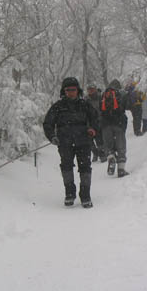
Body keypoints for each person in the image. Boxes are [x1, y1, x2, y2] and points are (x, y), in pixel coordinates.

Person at [43, 77, 99, 208]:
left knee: (85, 168)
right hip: (64, 143)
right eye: (68, 90)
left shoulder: (85, 105)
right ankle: (70, 194)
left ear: (77, 90)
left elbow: (96, 119)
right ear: (64, 91)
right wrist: (52, 137)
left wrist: (93, 129)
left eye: (73, 89)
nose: (70, 92)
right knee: (66, 168)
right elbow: (47, 123)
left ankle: (85, 196)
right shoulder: (57, 107)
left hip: (84, 142)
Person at [100, 79, 129, 178]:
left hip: (105, 125)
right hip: (118, 124)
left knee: (108, 146)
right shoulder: (121, 95)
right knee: (121, 147)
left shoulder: (103, 95)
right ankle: (121, 169)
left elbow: (100, 110)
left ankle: (111, 157)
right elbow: (125, 107)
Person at [84, 83, 106, 163]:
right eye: (89, 90)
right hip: (89, 122)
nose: (91, 91)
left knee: (99, 139)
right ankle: (95, 153)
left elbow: (103, 109)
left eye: (92, 89)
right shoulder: (85, 99)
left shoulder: (100, 97)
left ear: (95, 89)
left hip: (99, 121)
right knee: (89, 141)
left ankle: (102, 154)